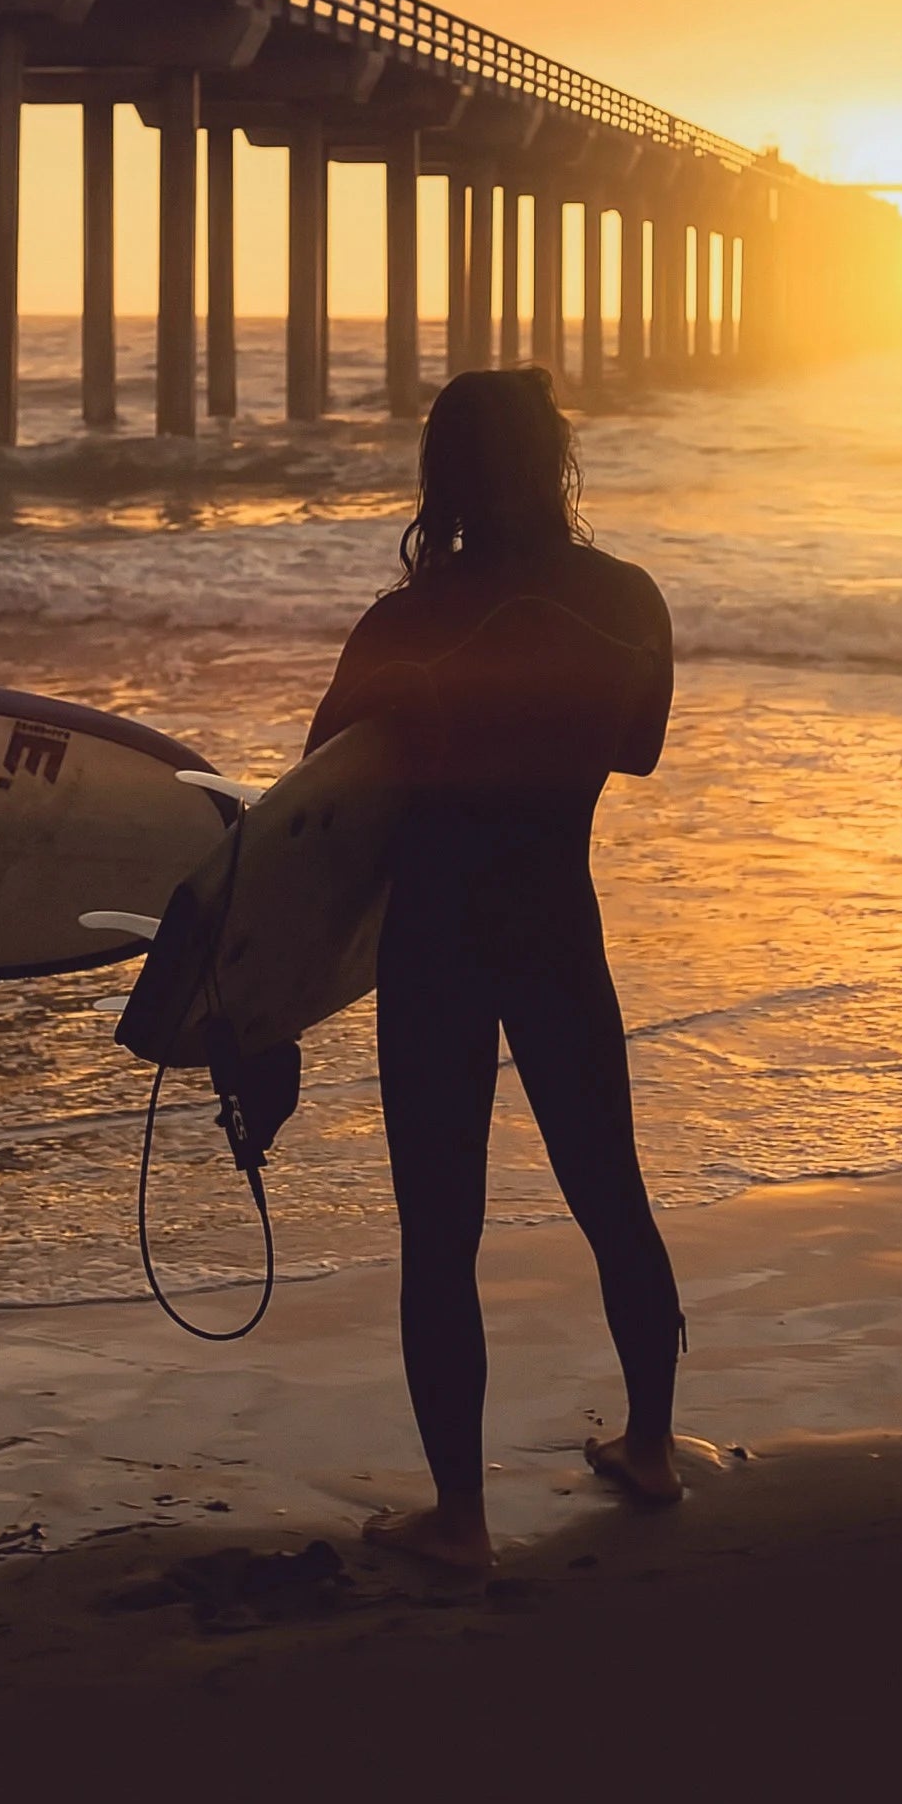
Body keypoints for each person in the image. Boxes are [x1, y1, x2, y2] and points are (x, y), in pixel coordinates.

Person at [306, 364, 680, 1575]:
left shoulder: (404, 622)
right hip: (555, 921)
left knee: (440, 1230)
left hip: (437, 941)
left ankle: (460, 1519)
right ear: (556, 462)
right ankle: (654, 1446)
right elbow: (638, 753)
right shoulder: (627, 600)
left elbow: (317, 803)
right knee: (609, 1189)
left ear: (442, 476)